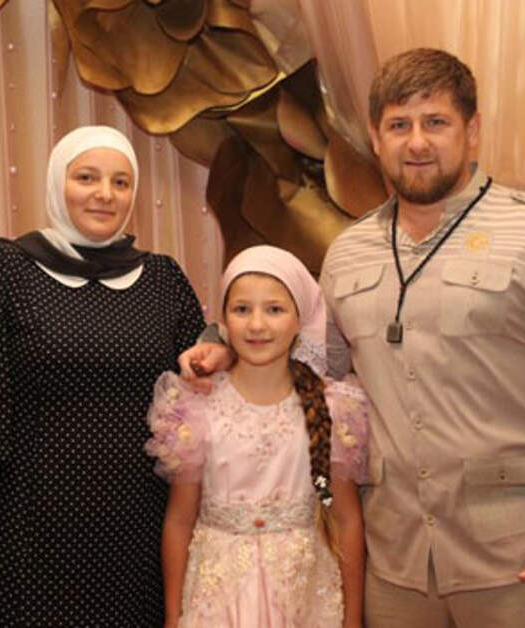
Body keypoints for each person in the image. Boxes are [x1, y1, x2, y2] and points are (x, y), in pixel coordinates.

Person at [181, 49, 525, 627]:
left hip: (515, 557)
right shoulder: (349, 252)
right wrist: (220, 342)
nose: (417, 142)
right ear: (375, 138)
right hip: (396, 561)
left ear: (472, 131)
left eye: (435, 122)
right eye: (399, 125)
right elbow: (311, 359)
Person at [0, 126, 206, 625]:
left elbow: (199, 392)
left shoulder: (163, 280)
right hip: (19, 531)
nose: (104, 194)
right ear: (56, 183)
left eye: (120, 182)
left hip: (134, 537)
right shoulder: (3, 270)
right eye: (86, 177)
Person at [149, 245, 369, 627]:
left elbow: (346, 519)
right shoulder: (197, 408)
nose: (256, 325)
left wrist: (352, 620)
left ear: (300, 319)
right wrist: (173, 616)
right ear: (223, 319)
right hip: (217, 599)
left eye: (274, 309)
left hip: (303, 597)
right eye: (241, 309)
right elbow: (180, 521)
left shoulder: (332, 409)